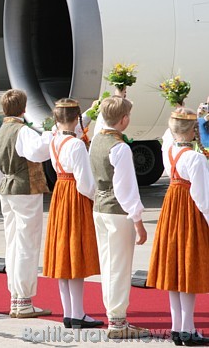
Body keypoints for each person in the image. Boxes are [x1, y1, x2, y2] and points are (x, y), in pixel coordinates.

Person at [147, 108, 209, 346]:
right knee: (188, 268)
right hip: (189, 211)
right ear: (193, 131)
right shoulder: (195, 158)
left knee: (174, 270)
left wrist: (178, 110)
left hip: (172, 206)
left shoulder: (169, 150)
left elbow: (166, 136)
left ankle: (177, 327)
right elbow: (202, 197)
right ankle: (188, 328)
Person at [89, 96, 148, 339]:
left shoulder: (96, 141)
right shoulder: (120, 147)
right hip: (116, 210)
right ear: (123, 120)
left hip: (100, 207)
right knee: (119, 267)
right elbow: (126, 189)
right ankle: (117, 320)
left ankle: (115, 316)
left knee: (109, 264)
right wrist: (138, 221)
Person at [0, 89, 52, 318]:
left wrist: (3, 188)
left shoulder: (0, 133)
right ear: (24, 109)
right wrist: (50, 133)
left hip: (6, 190)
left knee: (13, 242)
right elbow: (39, 152)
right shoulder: (22, 131)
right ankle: (24, 298)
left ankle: (16, 297)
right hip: (25, 190)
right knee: (27, 244)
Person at [42, 99, 102, 329]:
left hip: (60, 191)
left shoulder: (54, 138)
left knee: (63, 256)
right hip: (75, 195)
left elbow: (73, 124)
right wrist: (97, 197)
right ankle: (78, 312)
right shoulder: (76, 145)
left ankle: (69, 311)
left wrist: (90, 111)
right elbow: (85, 183)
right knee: (75, 255)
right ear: (76, 119)